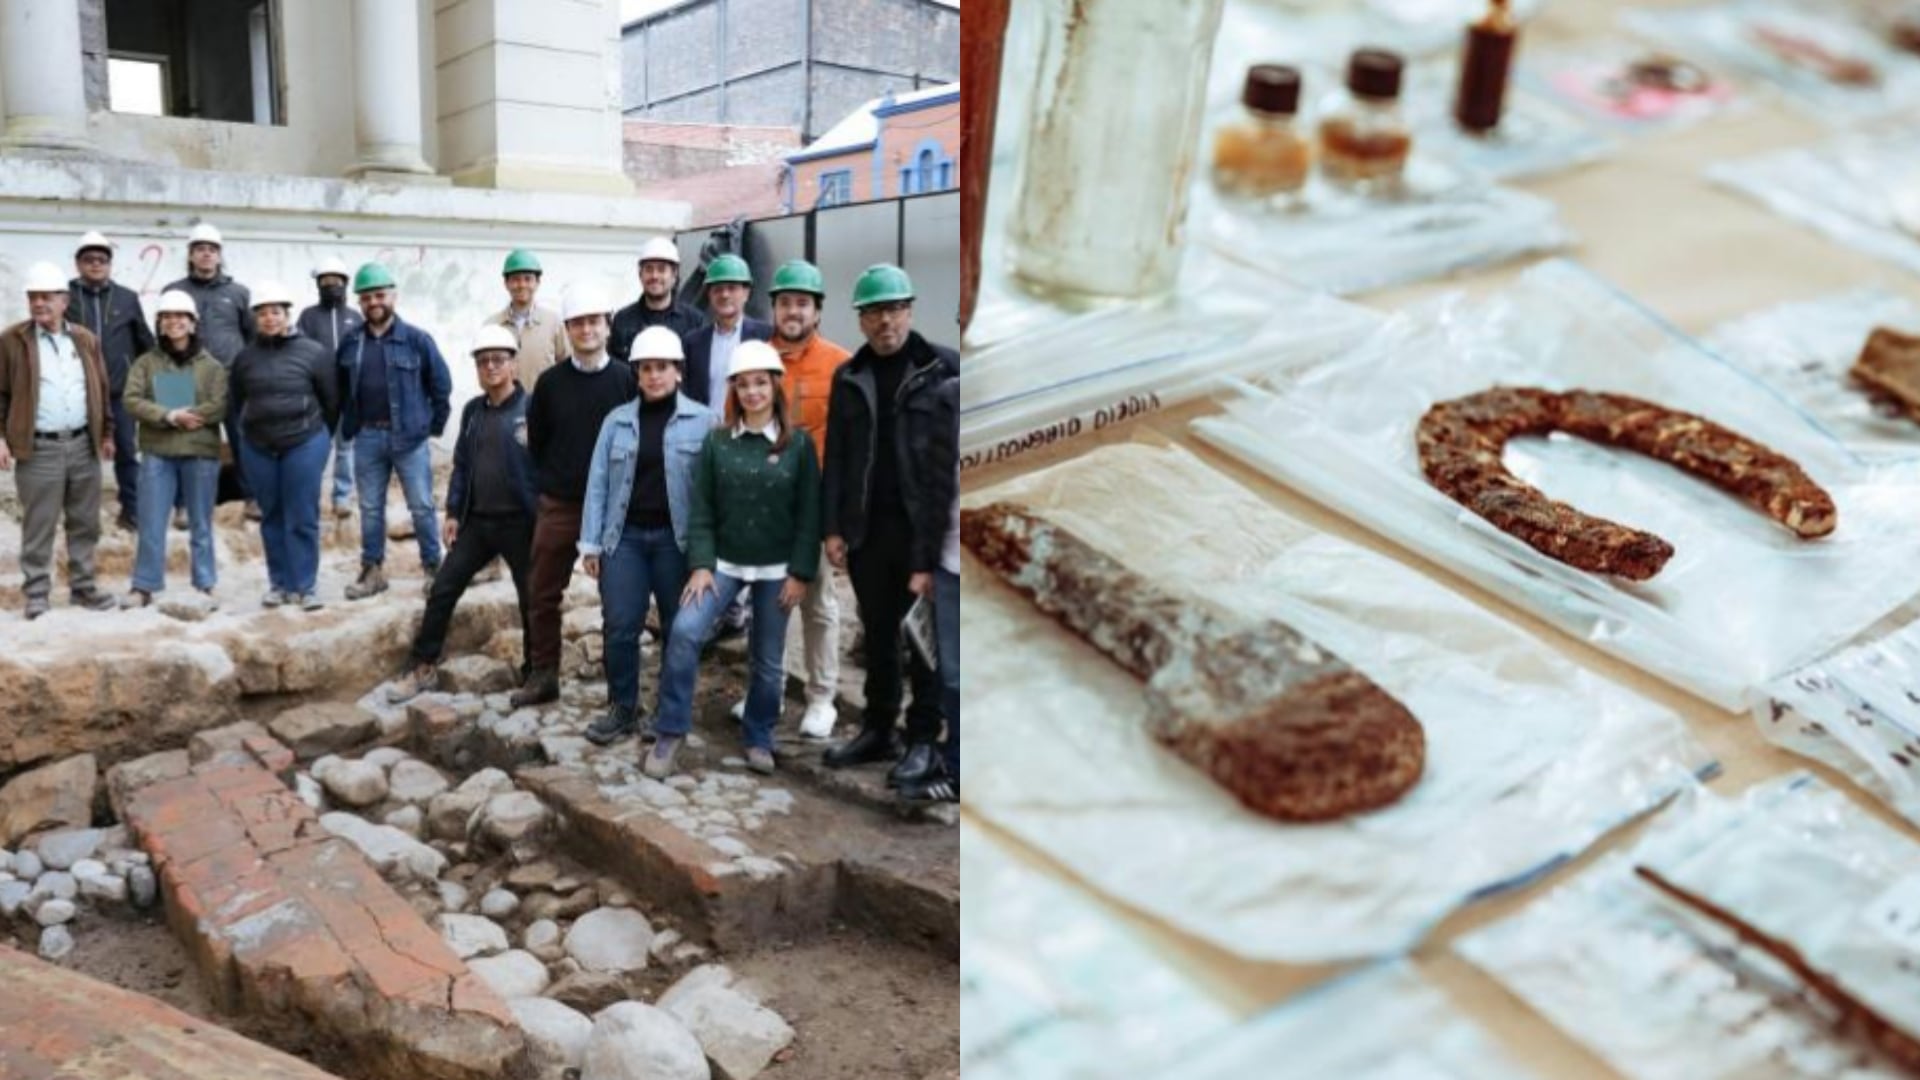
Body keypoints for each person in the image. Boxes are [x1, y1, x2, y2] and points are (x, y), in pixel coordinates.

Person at [645, 340, 821, 779]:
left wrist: (800, 573)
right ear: (734, 391)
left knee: (767, 658)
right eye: (743, 385)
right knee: (684, 632)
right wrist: (702, 564)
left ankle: (759, 735)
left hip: (776, 569)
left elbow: (809, 516)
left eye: (760, 383)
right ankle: (671, 731)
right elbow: (702, 508)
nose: (753, 393)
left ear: (775, 386)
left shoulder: (798, 446)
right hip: (722, 564)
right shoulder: (718, 443)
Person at [821, 265, 959, 788]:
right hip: (867, 531)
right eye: (876, 311)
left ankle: (924, 738)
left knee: (924, 640)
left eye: (896, 309)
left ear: (911, 311)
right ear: (860, 319)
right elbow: (836, 454)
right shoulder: (849, 375)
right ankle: (879, 726)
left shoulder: (941, 368)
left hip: (922, 533)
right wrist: (833, 527)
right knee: (877, 633)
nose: (887, 321)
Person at [386, 325, 539, 702]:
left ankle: (536, 672)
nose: (491, 367)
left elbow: (550, 466)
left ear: (513, 364)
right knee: (443, 588)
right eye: (483, 361)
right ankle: (422, 665)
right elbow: (462, 465)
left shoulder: (533, 409)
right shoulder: (472, 410)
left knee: (531, 599)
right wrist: (453, 511)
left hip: (522, 523)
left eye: (498, 360)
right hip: (479, 523)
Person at [732, 258, 852, 740]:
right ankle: (769, 690)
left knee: (818, 604)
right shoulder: (755, 359)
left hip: (816, 507)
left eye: (802, 303)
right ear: (773, 307)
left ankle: (822, 698)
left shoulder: (840, 365)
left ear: (817, 310)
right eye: (785, 302)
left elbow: (849, 444)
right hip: (765, 507)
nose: (793, 311)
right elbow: (735, 429)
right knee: (766, 602)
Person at [579, 326, 715, 745]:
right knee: (620, 624)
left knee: (680, 628)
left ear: (678, 371)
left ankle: (669, 713)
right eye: (646, 369)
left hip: (678, 544)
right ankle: (623, 708)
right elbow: (598, 482)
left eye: (663, 368)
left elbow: (714, 492)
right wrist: (591, 542)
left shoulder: (705, 421)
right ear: (637, 374)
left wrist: (708, 557)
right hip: (626, 541)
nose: (654, 375)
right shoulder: (616, 423)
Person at [518, 283, 636, 707]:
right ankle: (543, 672)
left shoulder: (628, 379)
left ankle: (619, 688)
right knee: (542, 591)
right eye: (577, 323)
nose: (586, 329)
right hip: (561, 503)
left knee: (618, 602)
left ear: (607, 326)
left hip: (613, 510)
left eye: (594, 321)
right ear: (567, 329)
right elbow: (539, 442)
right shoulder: (549, 384)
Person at [0, 262, 118, 619]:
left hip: (84, 445)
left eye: (46, 297)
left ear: (64, 300)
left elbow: (101, 387)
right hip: (39, 449)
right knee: (39, 523)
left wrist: (107, 433)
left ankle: (83, 587)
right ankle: (37, 591)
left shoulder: (84, 339)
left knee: (85, 522)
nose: (39, 304)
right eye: (33, 297)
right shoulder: (12, 341)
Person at [338, 262, 452, 600]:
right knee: (371, 508)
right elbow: (341, 388)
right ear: (359, 302)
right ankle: (372, 570)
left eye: (379, 295)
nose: (374, 302)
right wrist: (350, 426)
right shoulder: (351, 343)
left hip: (410, 439)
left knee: (421, 506)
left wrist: (430, 427)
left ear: (393, 296)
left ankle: (433, 568)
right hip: (368, 438)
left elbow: (441, 385)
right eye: (366, 297)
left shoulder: (416, 340)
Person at [230, 281, 339, 610]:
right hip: (259, 446)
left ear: (287, 315)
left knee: (302, 515)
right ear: (255, 318)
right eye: (262, 313)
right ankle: (279, 584)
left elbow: (331, 401)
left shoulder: (313, 352)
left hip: (304, 443)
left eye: (275, 312)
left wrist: (320, 439)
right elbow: (237, 401)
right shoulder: (245, 357)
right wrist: (249, 432)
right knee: (272, 515)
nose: (269, 318)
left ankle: (305, 586)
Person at [121, 290, 226, 608]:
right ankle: (144, 586)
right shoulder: (146, 363)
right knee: (151, 522)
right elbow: (131, 399)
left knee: (201, 522)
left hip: (200, 452)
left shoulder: (212, 366)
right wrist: (168, 416)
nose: (174, 322)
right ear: (160, 324)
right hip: (158, 452)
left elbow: (220, 403)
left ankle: (205, 584)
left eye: (181, 316)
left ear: (193, 323)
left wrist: (192, 416)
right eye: (167, 317)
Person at [162, 222, 255, 515]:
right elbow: (162, 335)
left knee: (243, 439)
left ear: (219, 255)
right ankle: (183, 504)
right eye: (200, 249)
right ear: (190, 254)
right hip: (183, 377)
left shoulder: (238, 293)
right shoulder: (173, 291)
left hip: (230, 379)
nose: (206, 254)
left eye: (212, 249)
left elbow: (251, 337)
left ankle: (252, 499)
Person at [899, 376, 960, 804]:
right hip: (951, 560)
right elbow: (933, 487)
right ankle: (956, 768)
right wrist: (923, 563)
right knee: (954, 673)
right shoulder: (950, 397)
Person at [67, 230, 154, 532]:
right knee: (80, 455)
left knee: (127, 454)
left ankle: (132, 511)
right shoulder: (64, 297)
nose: (95, 265)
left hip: (120, 393)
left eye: (102, 260)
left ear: (109, 264)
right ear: (78, 263)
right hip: (77, 393)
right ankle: (81, 516)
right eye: (89, 259)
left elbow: (146, 344)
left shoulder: (127, 298)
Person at [297, 256, 364, 519]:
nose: (331, 285)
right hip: (317, 395)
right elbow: (299, 351)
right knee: (315, 448)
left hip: (347, 395)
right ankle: (311, 496)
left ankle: (342, 497)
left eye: (336, 281)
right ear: (318, 285)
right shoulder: (308, 316)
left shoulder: (355, 317)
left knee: (346, 448)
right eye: (325, 281)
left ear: (345, 284)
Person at [679, 253, 771, 409]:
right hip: (706, 431)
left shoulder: (766, 337)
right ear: (709, 294)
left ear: (746, 293)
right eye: (718, 289)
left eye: (732, 288)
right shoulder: (692, 343)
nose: (725, 294)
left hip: (749, 429)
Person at [609, 236, 706, 363]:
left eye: (661, 269)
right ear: (640, 274)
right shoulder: (623, 320)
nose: (654, 276)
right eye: (649, 269)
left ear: (674, 274)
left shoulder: (694, 321)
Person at [492, 249, 570, 392]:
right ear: (506, 283)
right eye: (515, 279)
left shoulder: (554, 323)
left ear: (537, 282)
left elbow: (567, 366)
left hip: (546, 408)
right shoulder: (493, 326)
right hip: (504, 410)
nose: (522, 285)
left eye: (528, 279)